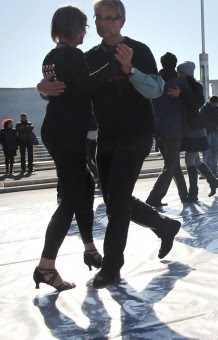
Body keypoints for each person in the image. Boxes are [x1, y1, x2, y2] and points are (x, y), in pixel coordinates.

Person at [38, 0, 184, 288]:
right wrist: (41, 89)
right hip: (106, 137)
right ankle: (165, 225)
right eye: (99, 18)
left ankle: (112, 266)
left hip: (137, 135)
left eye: (110, 18)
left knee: (116, 201)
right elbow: (68, 87)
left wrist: (130, 69)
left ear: (122, 20)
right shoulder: (87, 56)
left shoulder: (138, 50)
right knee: (114, 198)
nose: (104, 23)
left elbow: (156, 90)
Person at [33, 5, 112, 292]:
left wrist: (41, 89)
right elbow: (88, 87)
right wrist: (113, 67)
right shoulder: (73, 55)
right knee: (70, 198)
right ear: (75, 28)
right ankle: (46, 266)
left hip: (57, 129)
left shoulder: (51, 57)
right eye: (84, 26)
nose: (86, 32)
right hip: (67, 132)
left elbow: (61, 90)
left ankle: (90, 249)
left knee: (86, 185)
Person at [145, 52, 189, 207]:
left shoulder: (154, 81)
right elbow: (194, 102)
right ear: (175, 64)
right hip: (174, 129)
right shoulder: (180, 83)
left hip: (158, 129)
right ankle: (154, 198)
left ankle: (184, 194)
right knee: (170, 166)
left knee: (173, 163)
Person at [177, 61, 218, 202]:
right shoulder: (187, 85)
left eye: (180, 72)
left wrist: (181, 94)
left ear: (185, 73)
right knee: (195, 160)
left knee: (190, 159)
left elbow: (198, 102)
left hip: (193, 127)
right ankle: (213, 181)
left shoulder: (194, 86)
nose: (178, 75)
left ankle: (193, 193)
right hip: (192, 127)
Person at [201, 95, 218, 177]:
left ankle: (211, 172)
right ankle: (208, 173)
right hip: (210, 133)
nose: (216, 105)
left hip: (210, 133)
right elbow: (203, 122)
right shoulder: (205, 109)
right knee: (211, 153)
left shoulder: (205, 109)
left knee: (209, 154)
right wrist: (217, 126)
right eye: (215, 103)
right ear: (211, 102)